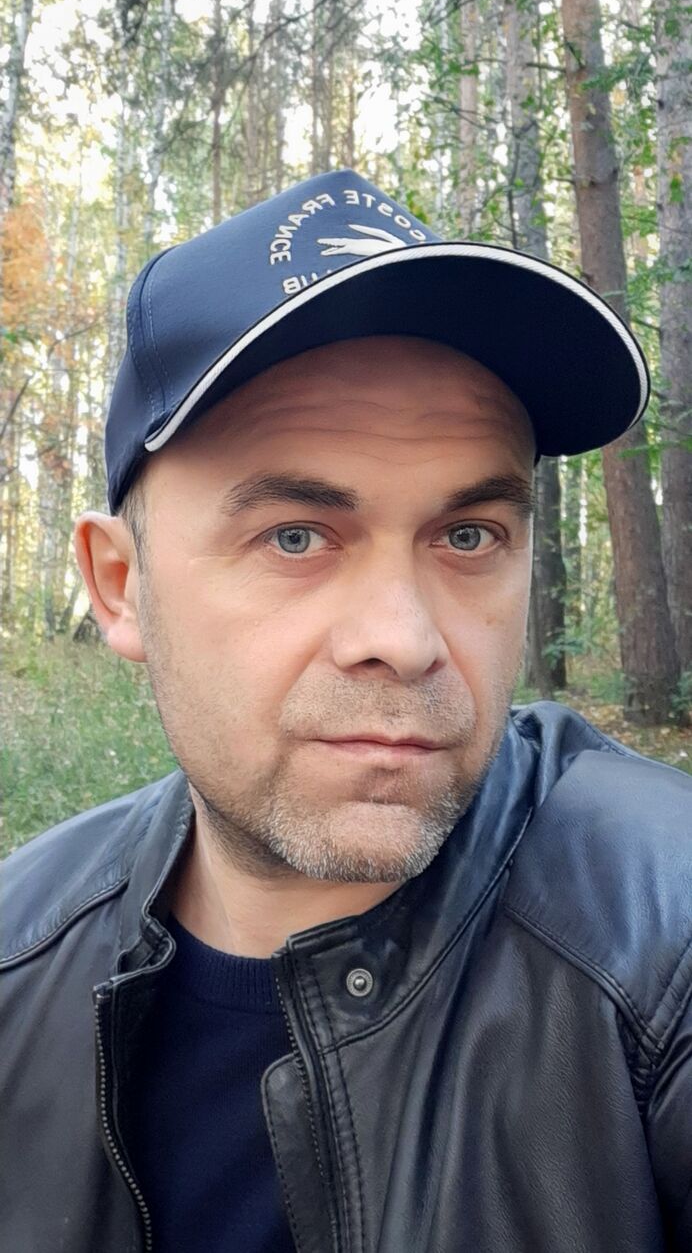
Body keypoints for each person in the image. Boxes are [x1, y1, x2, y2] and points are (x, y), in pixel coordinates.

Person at [1, 168, 690, 1253]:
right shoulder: (17, 957)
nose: (405, 639)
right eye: (295, 536)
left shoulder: (663, 951)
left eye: (467, 536)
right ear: (121, 585)